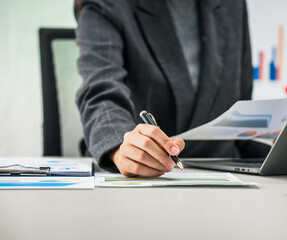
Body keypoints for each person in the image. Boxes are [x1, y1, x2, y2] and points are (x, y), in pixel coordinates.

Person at [74, 0, 270, 177]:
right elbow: (100, 91)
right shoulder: (107, 4)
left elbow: (241, 105)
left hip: (228, 177)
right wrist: (119, 145)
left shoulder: (232, 5)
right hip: (144, 176)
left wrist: (272, 145)